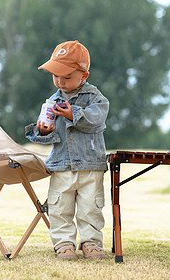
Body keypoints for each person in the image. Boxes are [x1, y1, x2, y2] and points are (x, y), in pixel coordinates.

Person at [25, 40, 109, 260]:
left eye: (67, 76)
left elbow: (97, 120)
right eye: (55, 76)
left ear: (84, 76)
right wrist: (44, 131)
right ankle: (64, 244)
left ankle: (91, 242)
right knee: (60, 207)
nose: (60, 82)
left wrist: (73, 113)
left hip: (91, 164)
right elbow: (49, 135)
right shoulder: (52, 101)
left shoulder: (95, 99)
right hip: (62, 165)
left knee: (90, 207)